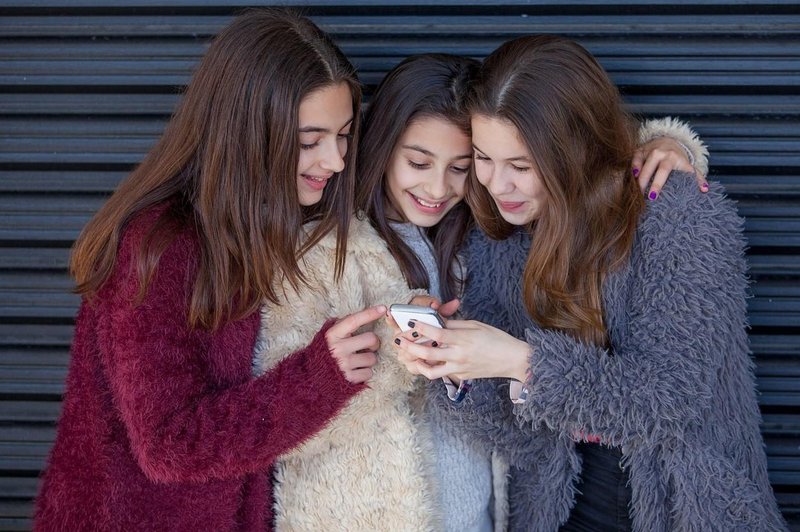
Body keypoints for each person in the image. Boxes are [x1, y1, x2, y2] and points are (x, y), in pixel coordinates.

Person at [393, 35, 787, 531]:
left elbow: (668, 401)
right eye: (484, 159)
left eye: (521, 166)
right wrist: (456, 370)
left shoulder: (677, 214)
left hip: (690, 508)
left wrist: (520, 362)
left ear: (576, 153)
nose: (497, 185)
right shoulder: (501, 236)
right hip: (557, 514)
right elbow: (517, 436)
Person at [34, 9, 386, 531]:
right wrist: (318, 376)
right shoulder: (157, 247)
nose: (335, 161)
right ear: (247, 133)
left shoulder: (265, 224)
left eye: (343, 135)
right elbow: (169, 446)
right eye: (310, 141)